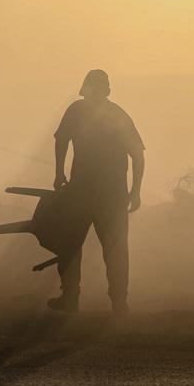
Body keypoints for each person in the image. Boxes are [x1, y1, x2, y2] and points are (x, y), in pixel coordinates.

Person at [48, 69, 145, 314]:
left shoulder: (77, 111)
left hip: (83, 191)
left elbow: (61, 141)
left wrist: (59, 174)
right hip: (112, 193)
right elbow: (137, 156)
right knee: (115, 249)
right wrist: (135, 191)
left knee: (71, 245)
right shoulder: (118, 115)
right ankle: (119, 303)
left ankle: (71, 298)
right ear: (107, 91)